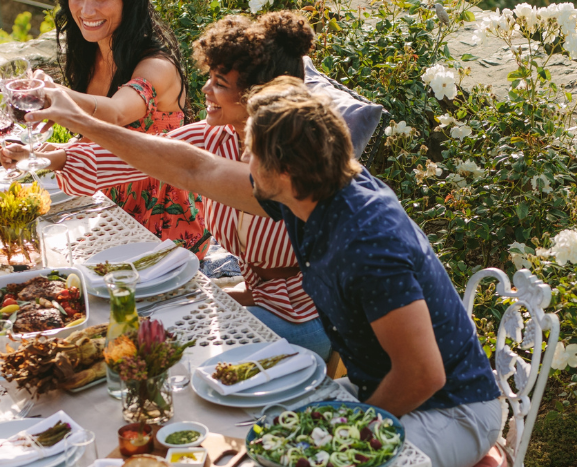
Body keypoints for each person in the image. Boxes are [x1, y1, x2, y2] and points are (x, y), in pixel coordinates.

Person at [26, 77, 502, 467]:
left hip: (453, 410)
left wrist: (332, 432)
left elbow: (423, 374)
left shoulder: (367, 243)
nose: (243, 162)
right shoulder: (312, 192)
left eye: (251, 154)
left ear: (286, 172)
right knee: (250, 432)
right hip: (373, 384)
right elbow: (191, 167)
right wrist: (82, 122)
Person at [6, 12, 331, 358]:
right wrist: (50, 156)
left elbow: (188, 167)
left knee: (160, 350)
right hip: (261, 298)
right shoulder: (216, 137)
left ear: (257, 95)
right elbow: (137, 156)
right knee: (138, 324)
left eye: (219, 83)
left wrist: (76, 116)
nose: (205, 88)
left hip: (308, 316)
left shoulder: (294, 163)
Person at [32, 0, 209, 256]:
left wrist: (58, 95)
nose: (86, 9)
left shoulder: (157, 66)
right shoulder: (90, 58)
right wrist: (53, 151)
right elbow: (104, 141)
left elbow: (115, 112)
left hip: (168, 233)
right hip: (111, 215)